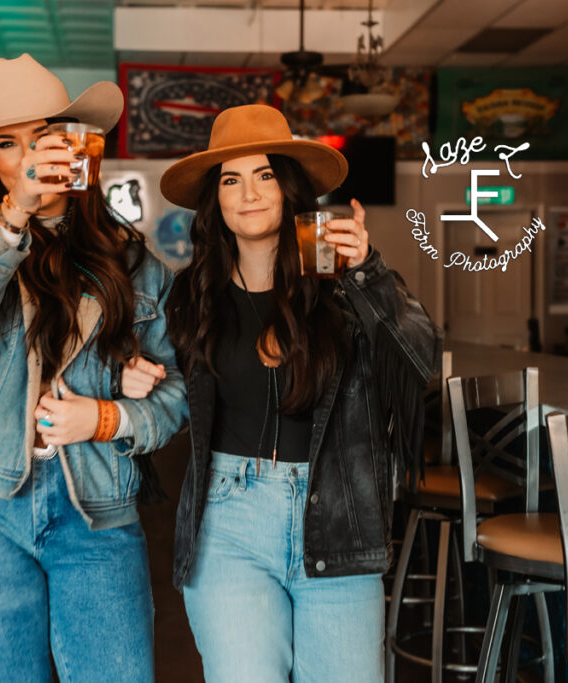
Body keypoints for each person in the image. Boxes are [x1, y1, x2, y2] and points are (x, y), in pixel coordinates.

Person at [0, 54, 187, 683]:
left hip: (94, 504)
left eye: (44, 138)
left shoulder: (133, 262)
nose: (29, 156)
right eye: (8, 143)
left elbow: (176, 395)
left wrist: (109, 415)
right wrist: (13, 215)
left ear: (75, 146)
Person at [157, 104, 443, 682]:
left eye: (264, 175)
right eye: (231, 180)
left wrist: (369, 270)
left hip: (338, 516)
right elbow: (170, 397)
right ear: (216, 200)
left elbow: (422, 361)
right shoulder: (193, 295)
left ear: (288, 188)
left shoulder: (341, 285)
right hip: (229, 521)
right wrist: (142, 380)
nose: (249, 193)